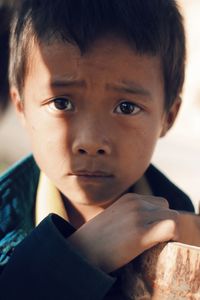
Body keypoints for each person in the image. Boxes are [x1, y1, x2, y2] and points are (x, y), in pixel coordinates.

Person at [0, 0, 199, 299]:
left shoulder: (184, 232)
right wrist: (77, 259)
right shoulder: (5, 223)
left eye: (126, 107)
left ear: (167, 117)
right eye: (61, 102)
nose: (91, 141)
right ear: (21, 107)